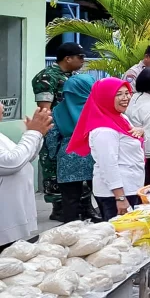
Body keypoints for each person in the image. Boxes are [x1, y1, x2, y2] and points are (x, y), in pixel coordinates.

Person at [66, 78, 145, 222]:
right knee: (122, 236)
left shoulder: (120, 117)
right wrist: (120, 197)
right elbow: (108, 165)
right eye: (118, 94)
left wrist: (140, 131)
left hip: (131, 187)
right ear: (105, 97)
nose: (125, 98)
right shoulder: (103, 129)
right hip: (115, 195)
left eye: (127, 93)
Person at [32, 42, 87, 222]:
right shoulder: (47, 77)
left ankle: (79, 205)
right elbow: (45, 110)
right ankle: (59, 207)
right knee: (54, 168)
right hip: (55, 131)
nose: (83, 61)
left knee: (77, 170)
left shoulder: (74, 76)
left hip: (74, 130)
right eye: (80, 57)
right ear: (67, 58)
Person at [45, 74, 101, 223]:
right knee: (101, 195)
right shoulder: (98, 107)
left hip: (68, 155)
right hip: (95, 154)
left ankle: (71, 231)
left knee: (69, 200)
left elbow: (52, 136)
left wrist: (55, 154)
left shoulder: (57, 110)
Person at [0, 105, 52, 247]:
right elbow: (12, 162)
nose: (2, 106)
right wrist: (33, 133)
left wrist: (37, 134)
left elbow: (24, 157)